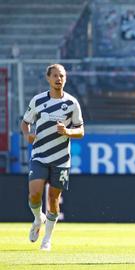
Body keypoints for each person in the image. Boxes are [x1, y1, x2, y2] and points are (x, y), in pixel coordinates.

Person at [21, 64, 84, 251]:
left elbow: (81, 130)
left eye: (62, 76)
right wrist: (27, 135)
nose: (59, 79)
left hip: (61, 159)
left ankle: (47, 240)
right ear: (48, 78)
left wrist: (68, 131)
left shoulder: (72, 103)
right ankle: (37, 218)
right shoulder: (38, 101)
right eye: (55, 75)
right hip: (40, 155)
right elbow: (25, 123)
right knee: (34, 193)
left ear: (66, 78)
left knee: (54, 200)